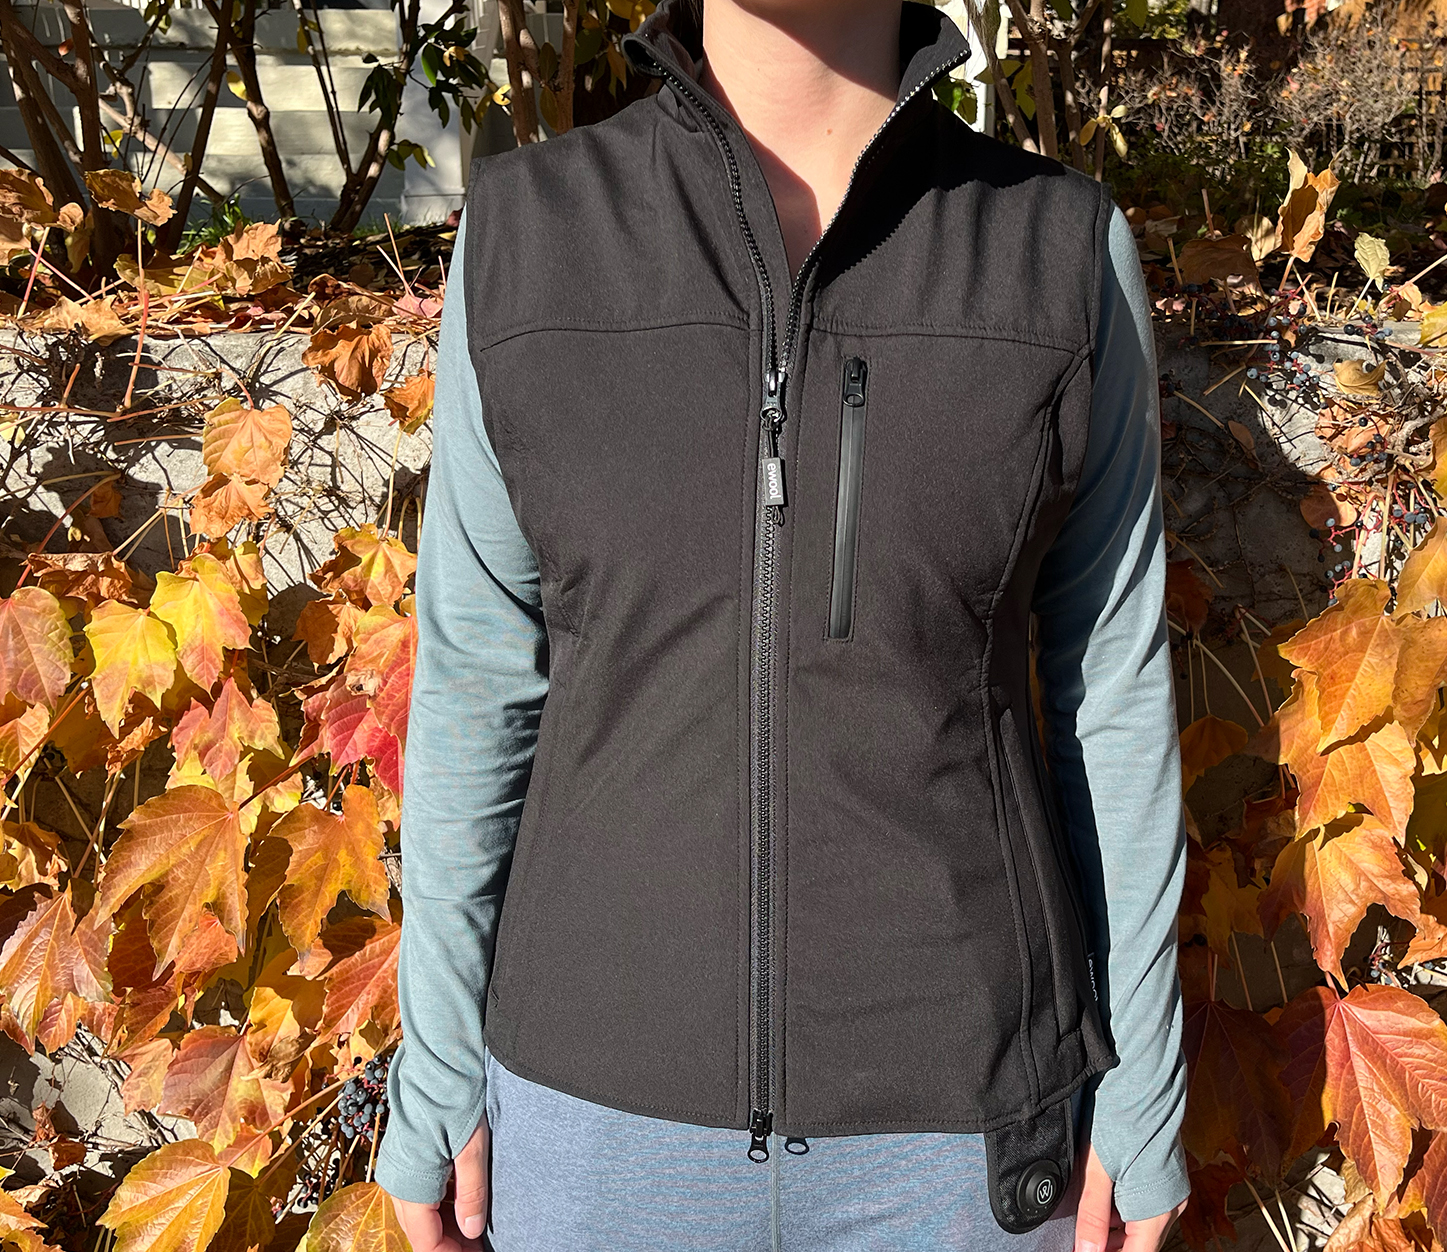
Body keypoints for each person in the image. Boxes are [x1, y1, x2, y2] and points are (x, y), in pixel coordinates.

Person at [373, 0, 1190, 1247]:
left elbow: (1112, 688)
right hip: (594, 1135)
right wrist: (435, 1066)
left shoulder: (1051, 250)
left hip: (960, 1144)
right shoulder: (533, 235)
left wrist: (1141, 1087)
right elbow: (478, 679)